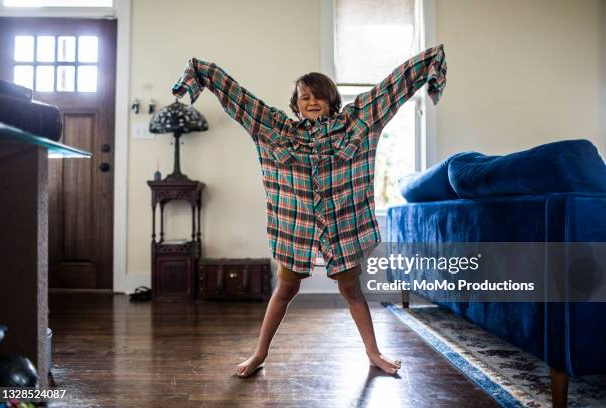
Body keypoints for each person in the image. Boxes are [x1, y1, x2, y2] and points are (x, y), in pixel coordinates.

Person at [172, 44, 447, 378]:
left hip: (342, 226)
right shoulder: (278, 131)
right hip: (296, 228)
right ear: (296, 104)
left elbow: (389, 89)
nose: (312, 101)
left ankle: (373, 352)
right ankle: (260, 353)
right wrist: (203, 73)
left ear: (331, 100)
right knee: (285, 289)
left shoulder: (355, 124)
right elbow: (242, 100)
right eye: (304, 97)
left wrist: (428, 65)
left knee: (351, 291)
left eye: (318, 96)